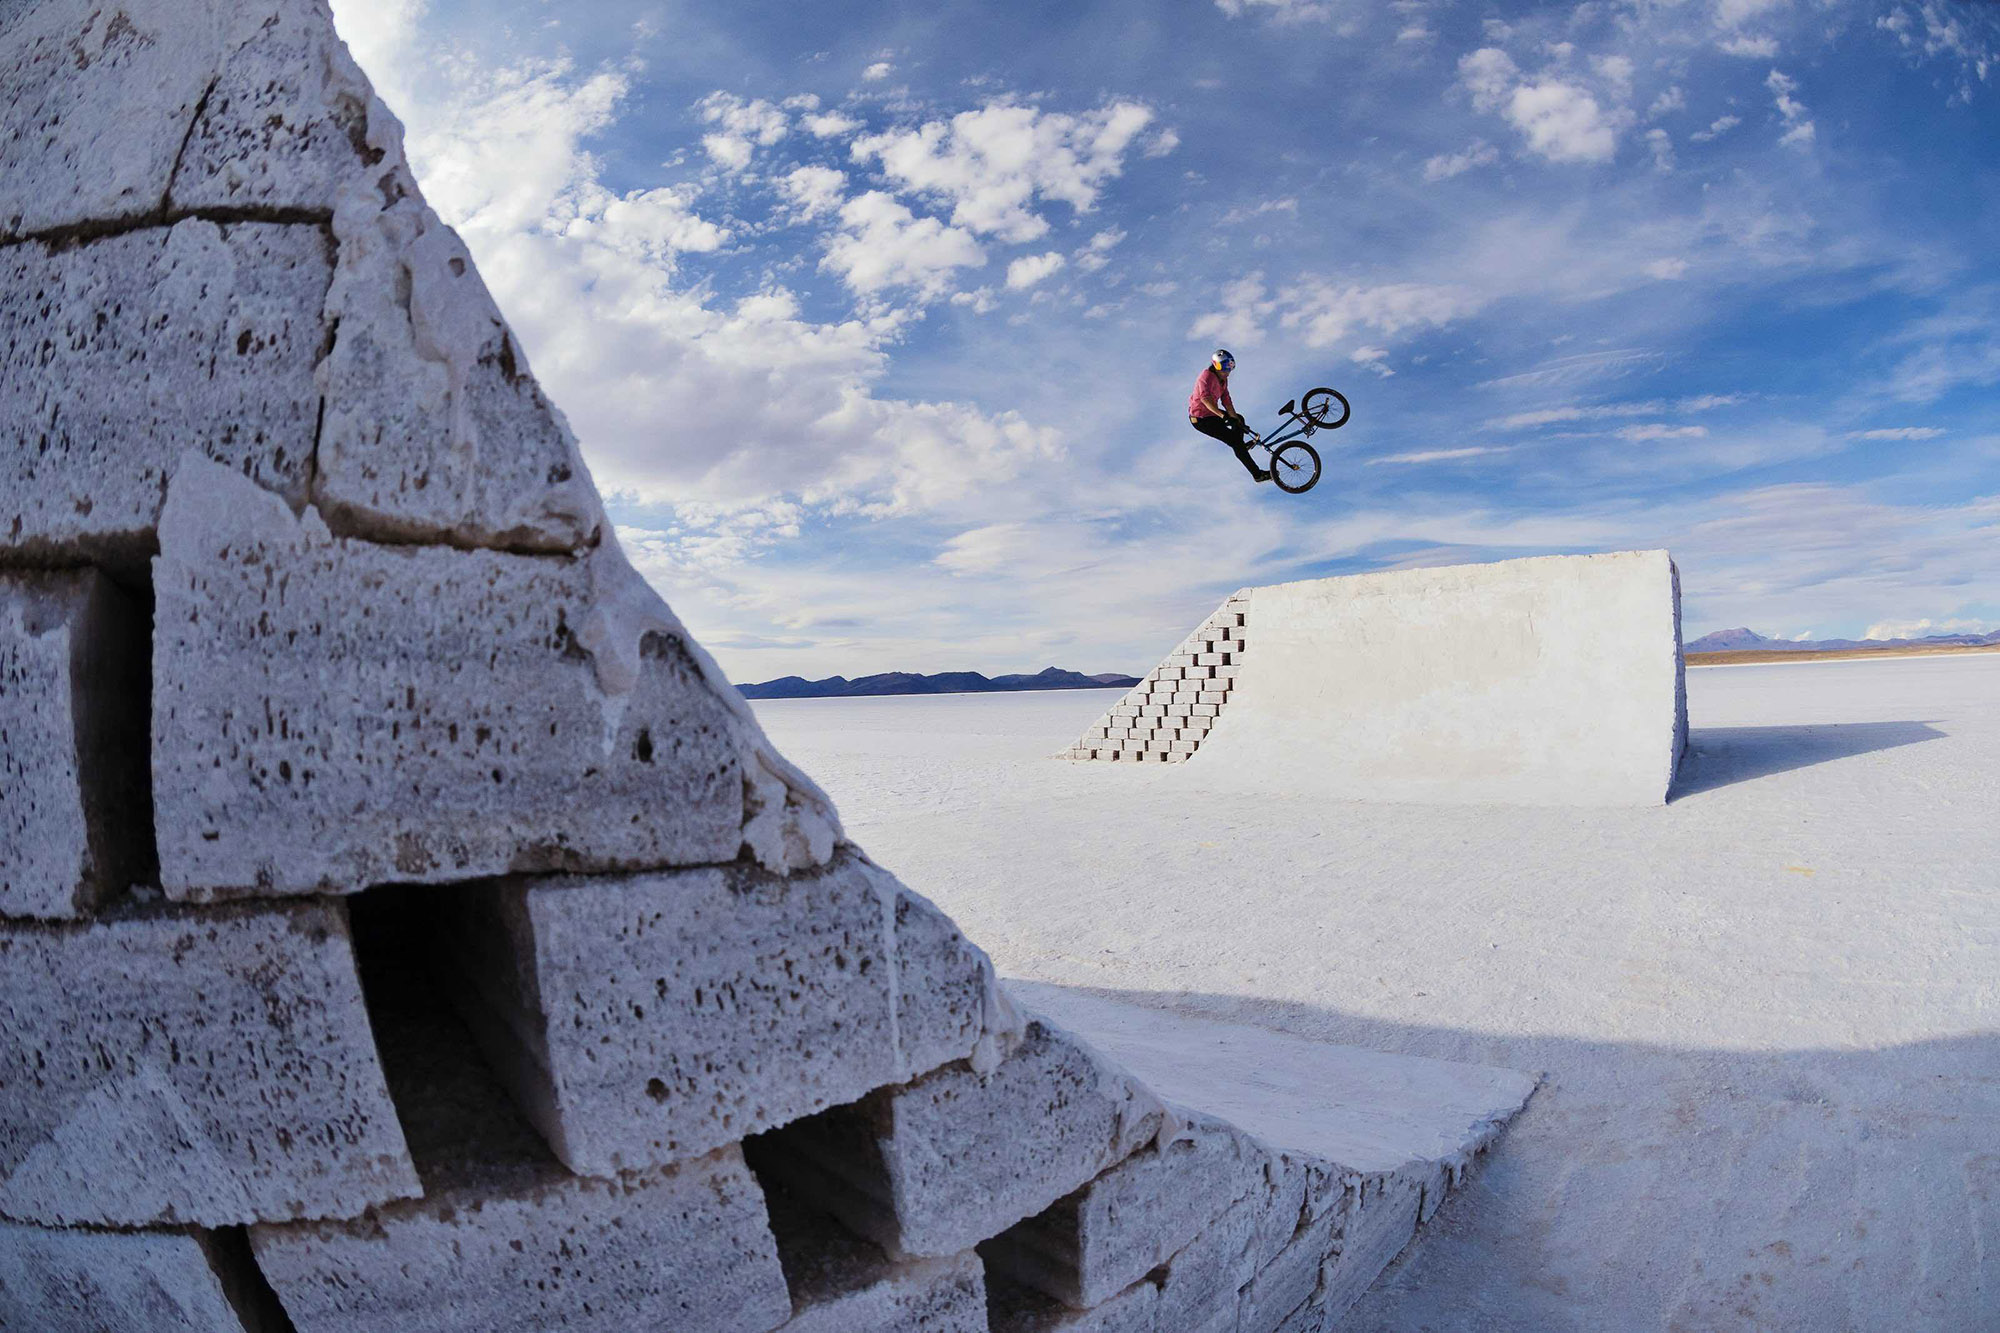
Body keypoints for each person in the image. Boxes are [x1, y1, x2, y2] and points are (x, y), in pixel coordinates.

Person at [1188, 348, 1269, 483]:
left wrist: (1236, 420)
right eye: (1225, 369)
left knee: (1239, 419)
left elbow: (1226, 400)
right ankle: (1257, 474)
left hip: (1211, 414)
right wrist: (1224, 417)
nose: (1227, 373)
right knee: (1235, 441)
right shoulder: (1206, 377)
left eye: (1230, 369)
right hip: (1200, 419)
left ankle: (1240, 447)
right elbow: (1206, 400)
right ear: (1216, 366)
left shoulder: (1223, 380)